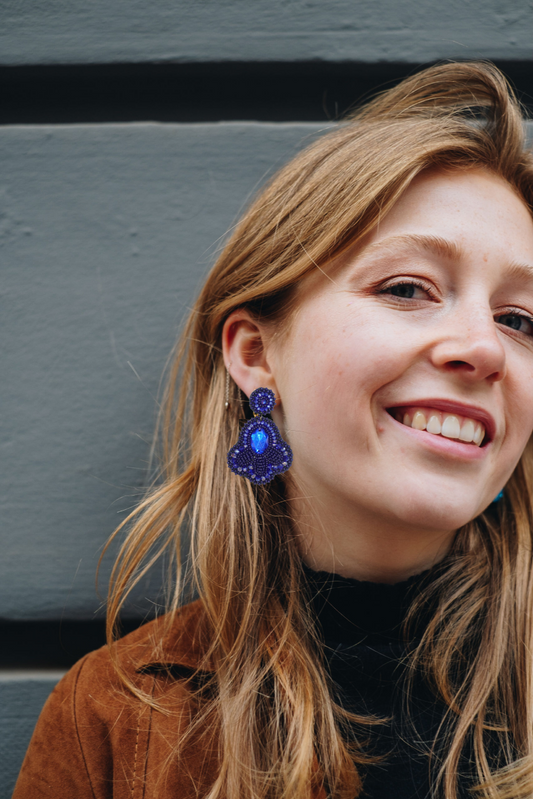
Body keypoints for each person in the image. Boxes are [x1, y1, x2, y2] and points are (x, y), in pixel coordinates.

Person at [13, 61, 533, 799]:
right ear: (256, 355)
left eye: (519, 320)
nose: (484, 348)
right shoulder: (112, 718)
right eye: (406, 288)